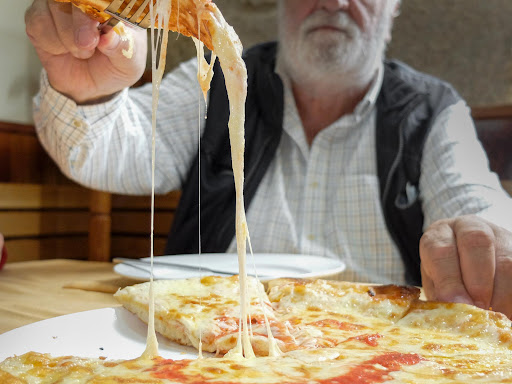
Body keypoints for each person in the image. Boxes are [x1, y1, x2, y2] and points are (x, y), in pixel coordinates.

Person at [25, 0, 512, 318]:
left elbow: (476, 200)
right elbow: (108, 154)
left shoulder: (434, 110)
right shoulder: (218, 76)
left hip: (379, 353)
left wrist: (488, 239)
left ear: (392, 9)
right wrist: (85, 92)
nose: (335, 2)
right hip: (201, 353)